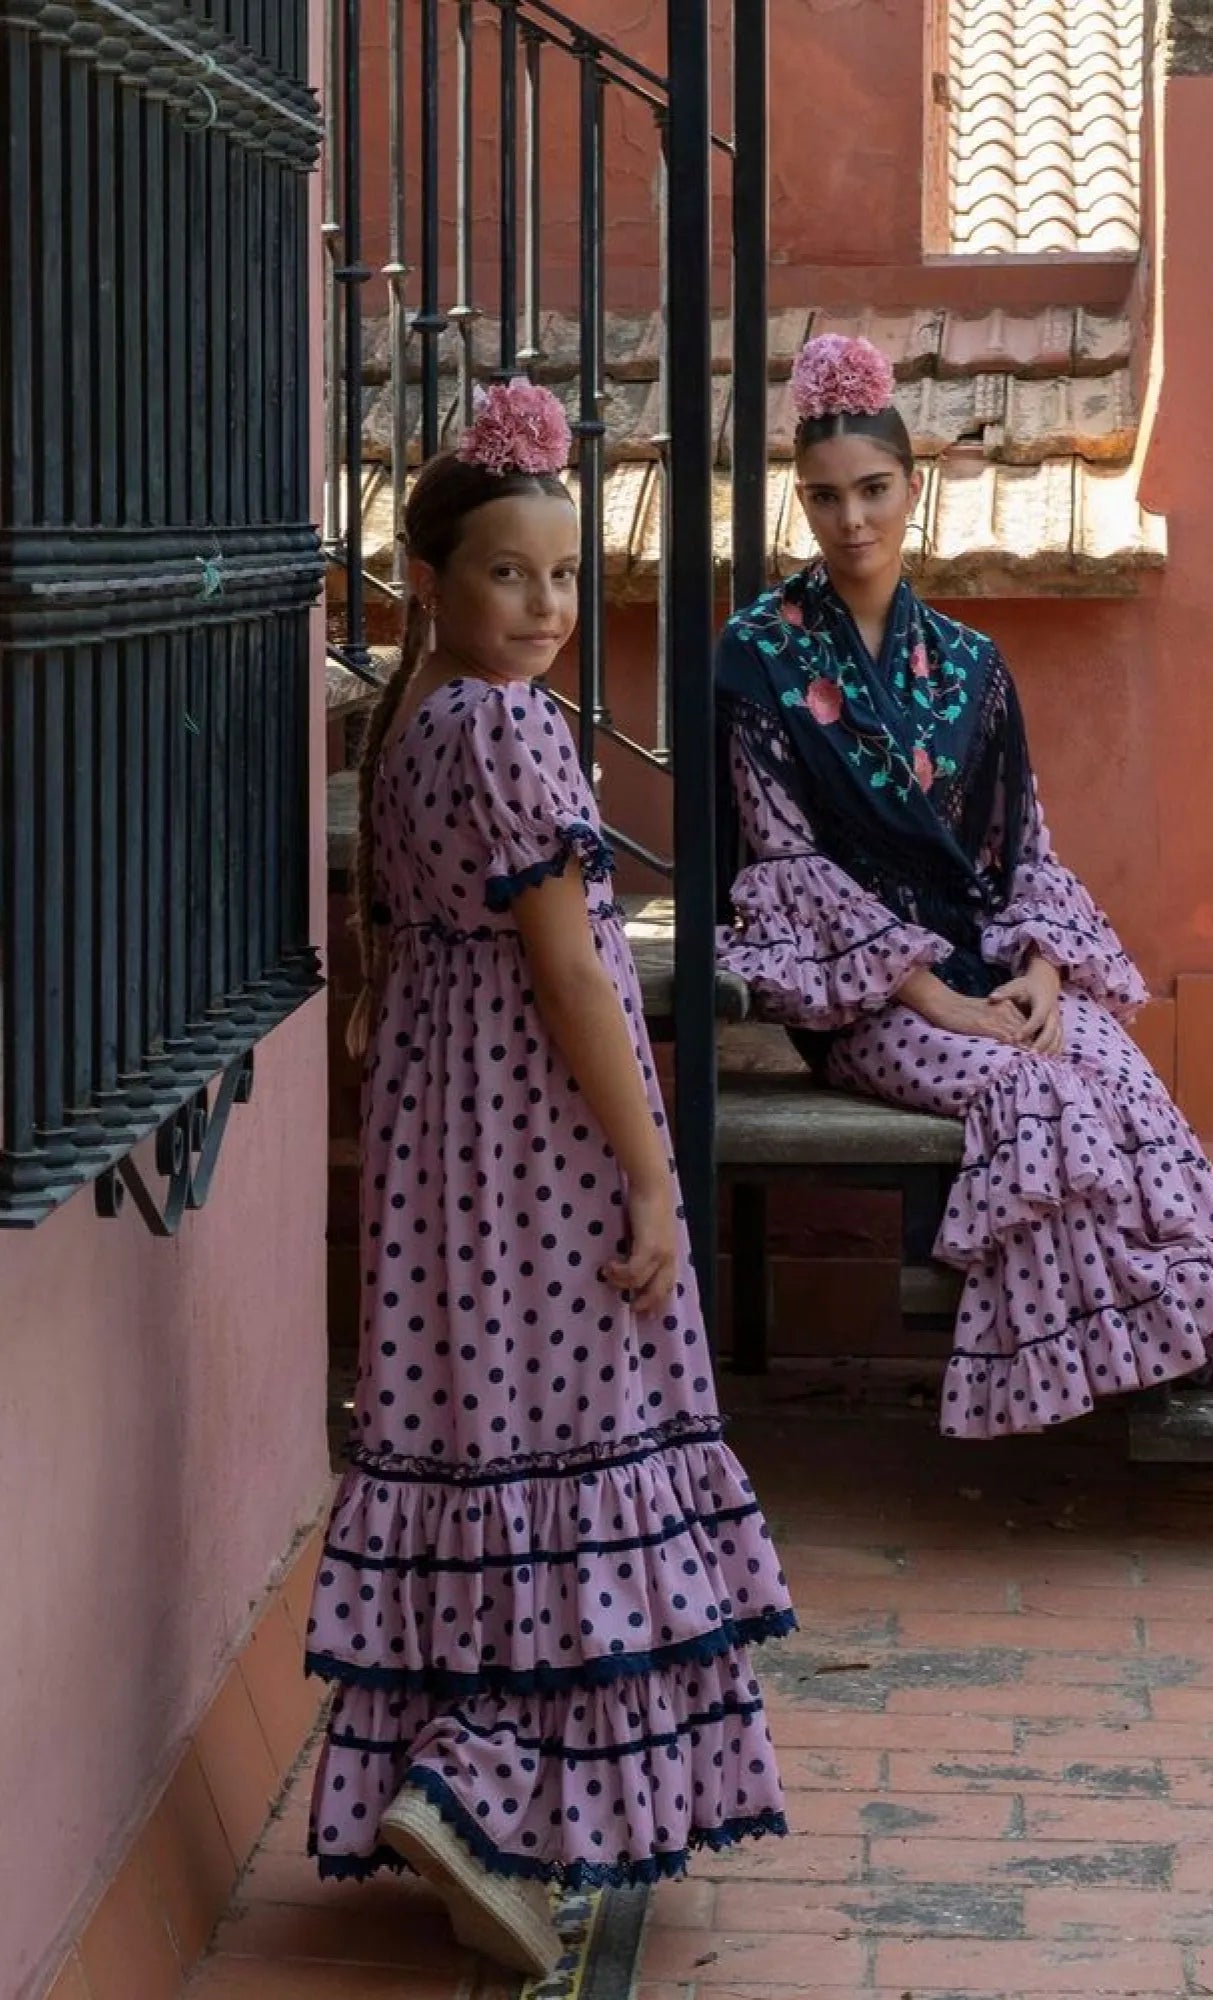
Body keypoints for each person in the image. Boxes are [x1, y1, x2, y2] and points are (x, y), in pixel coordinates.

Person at [305, 381, 792, 1975]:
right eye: (509, 574)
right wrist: (653, 1177)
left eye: (566, 577)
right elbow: (578, 977)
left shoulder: (422, 728)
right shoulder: (510, 730)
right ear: (433, 586)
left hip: (447, 1149)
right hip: (541, 1150)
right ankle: (487, 1794)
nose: (546, 607)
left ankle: (470, 1787)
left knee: (489, 1450)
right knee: (581, 1448)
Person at [715, 333, 1213, 1441]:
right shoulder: (757, 655)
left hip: (994, 971)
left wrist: (1045, 975)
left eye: (874, 490)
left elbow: (1025, 848)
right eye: (824, 499)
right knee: (1036, 1094)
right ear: (801, 504)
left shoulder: (972, 664)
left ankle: (1164, 1323)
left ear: (912, 490)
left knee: (1109, 1064)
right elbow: (788, 865)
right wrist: (940, 998)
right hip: (866, 997)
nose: (852, 521)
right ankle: (1079, 1360)